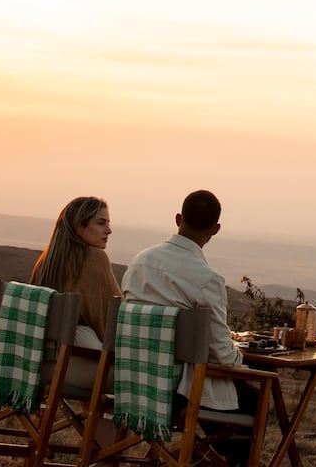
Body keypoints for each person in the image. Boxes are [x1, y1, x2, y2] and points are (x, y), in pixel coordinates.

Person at [121, 189, 257, 465]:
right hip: (177, 392)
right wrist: (243, 364)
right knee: (255, 397)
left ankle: (205, 456)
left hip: (132, 380)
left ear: (178, 218)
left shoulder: (139, 262)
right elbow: (221, 354)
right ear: (216, 229)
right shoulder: (207, 279)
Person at [28, 196, 120, 350]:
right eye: (101, 223)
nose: (109, 230)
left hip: (39, 359)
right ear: (79, 227)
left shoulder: (46, 261)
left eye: (108, 223)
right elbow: (113, 318)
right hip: (77, 359)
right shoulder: (95, 257)